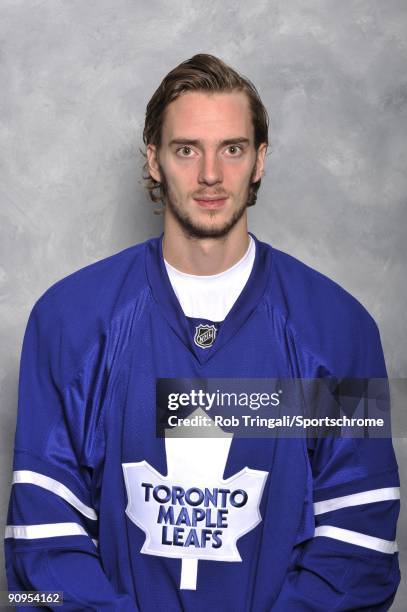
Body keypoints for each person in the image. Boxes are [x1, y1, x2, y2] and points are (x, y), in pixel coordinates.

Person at [5, 54, 400, 611]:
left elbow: (361, 540)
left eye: (232, 149)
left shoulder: (340, 329)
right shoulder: (68, 321)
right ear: (154, 160)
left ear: (260, 160)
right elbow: (40, 544)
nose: (210, 174)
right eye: (186, 149)